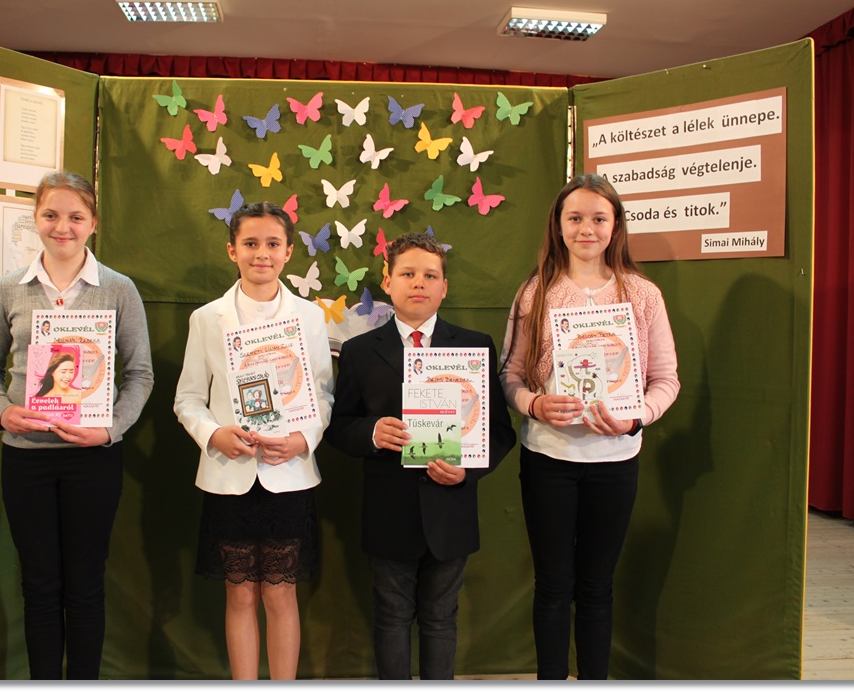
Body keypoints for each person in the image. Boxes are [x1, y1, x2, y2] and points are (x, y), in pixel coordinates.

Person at [0, 171, 154, 680]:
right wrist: (1, 411)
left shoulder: (119, 289)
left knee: (86, 587)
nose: (62, 227)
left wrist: (111, 429)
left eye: (76, 216)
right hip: (25, 458)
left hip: (93, 459)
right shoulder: (8, 289)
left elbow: (140, 374)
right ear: (36, 218)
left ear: (93, 223)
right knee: (39, 586)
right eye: (51, 215)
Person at [500, 174, 680, 680]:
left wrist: (635, 418)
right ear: (558, 226)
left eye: (599, 218)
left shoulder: (643, 295)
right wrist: (534, 405)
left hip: (615, 462)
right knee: (553, 586)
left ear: (615, 225)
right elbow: (510, 376)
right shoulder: (535, 293)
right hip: (548, 460)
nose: (587, 228)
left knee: (598, 587)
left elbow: (666, 380)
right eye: (575, 217)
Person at [324, 232, 516, 680]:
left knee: (441, 616)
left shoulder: (474, 345)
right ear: (387, 282)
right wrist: (372, 432)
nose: (419, 283)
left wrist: (467, 471)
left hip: (450, 509)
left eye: (430, 276)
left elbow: (500, 431)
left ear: (444, 287)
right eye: (408, 273)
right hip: (389, 510)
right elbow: (338, 426)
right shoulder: (359, 352)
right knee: (391, 615)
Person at [173, 202, 334, 680]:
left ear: (288, 252)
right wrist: (213, 433)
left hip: (288, 474)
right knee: (240, 593)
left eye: (272, 244)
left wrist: (302, 439)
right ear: (232, 250)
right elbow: (187, 398)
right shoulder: (207, 318)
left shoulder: (310, 317)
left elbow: (323, 394)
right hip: (230, 476)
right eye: (250, 243)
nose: (261, 253)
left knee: (280, 593)